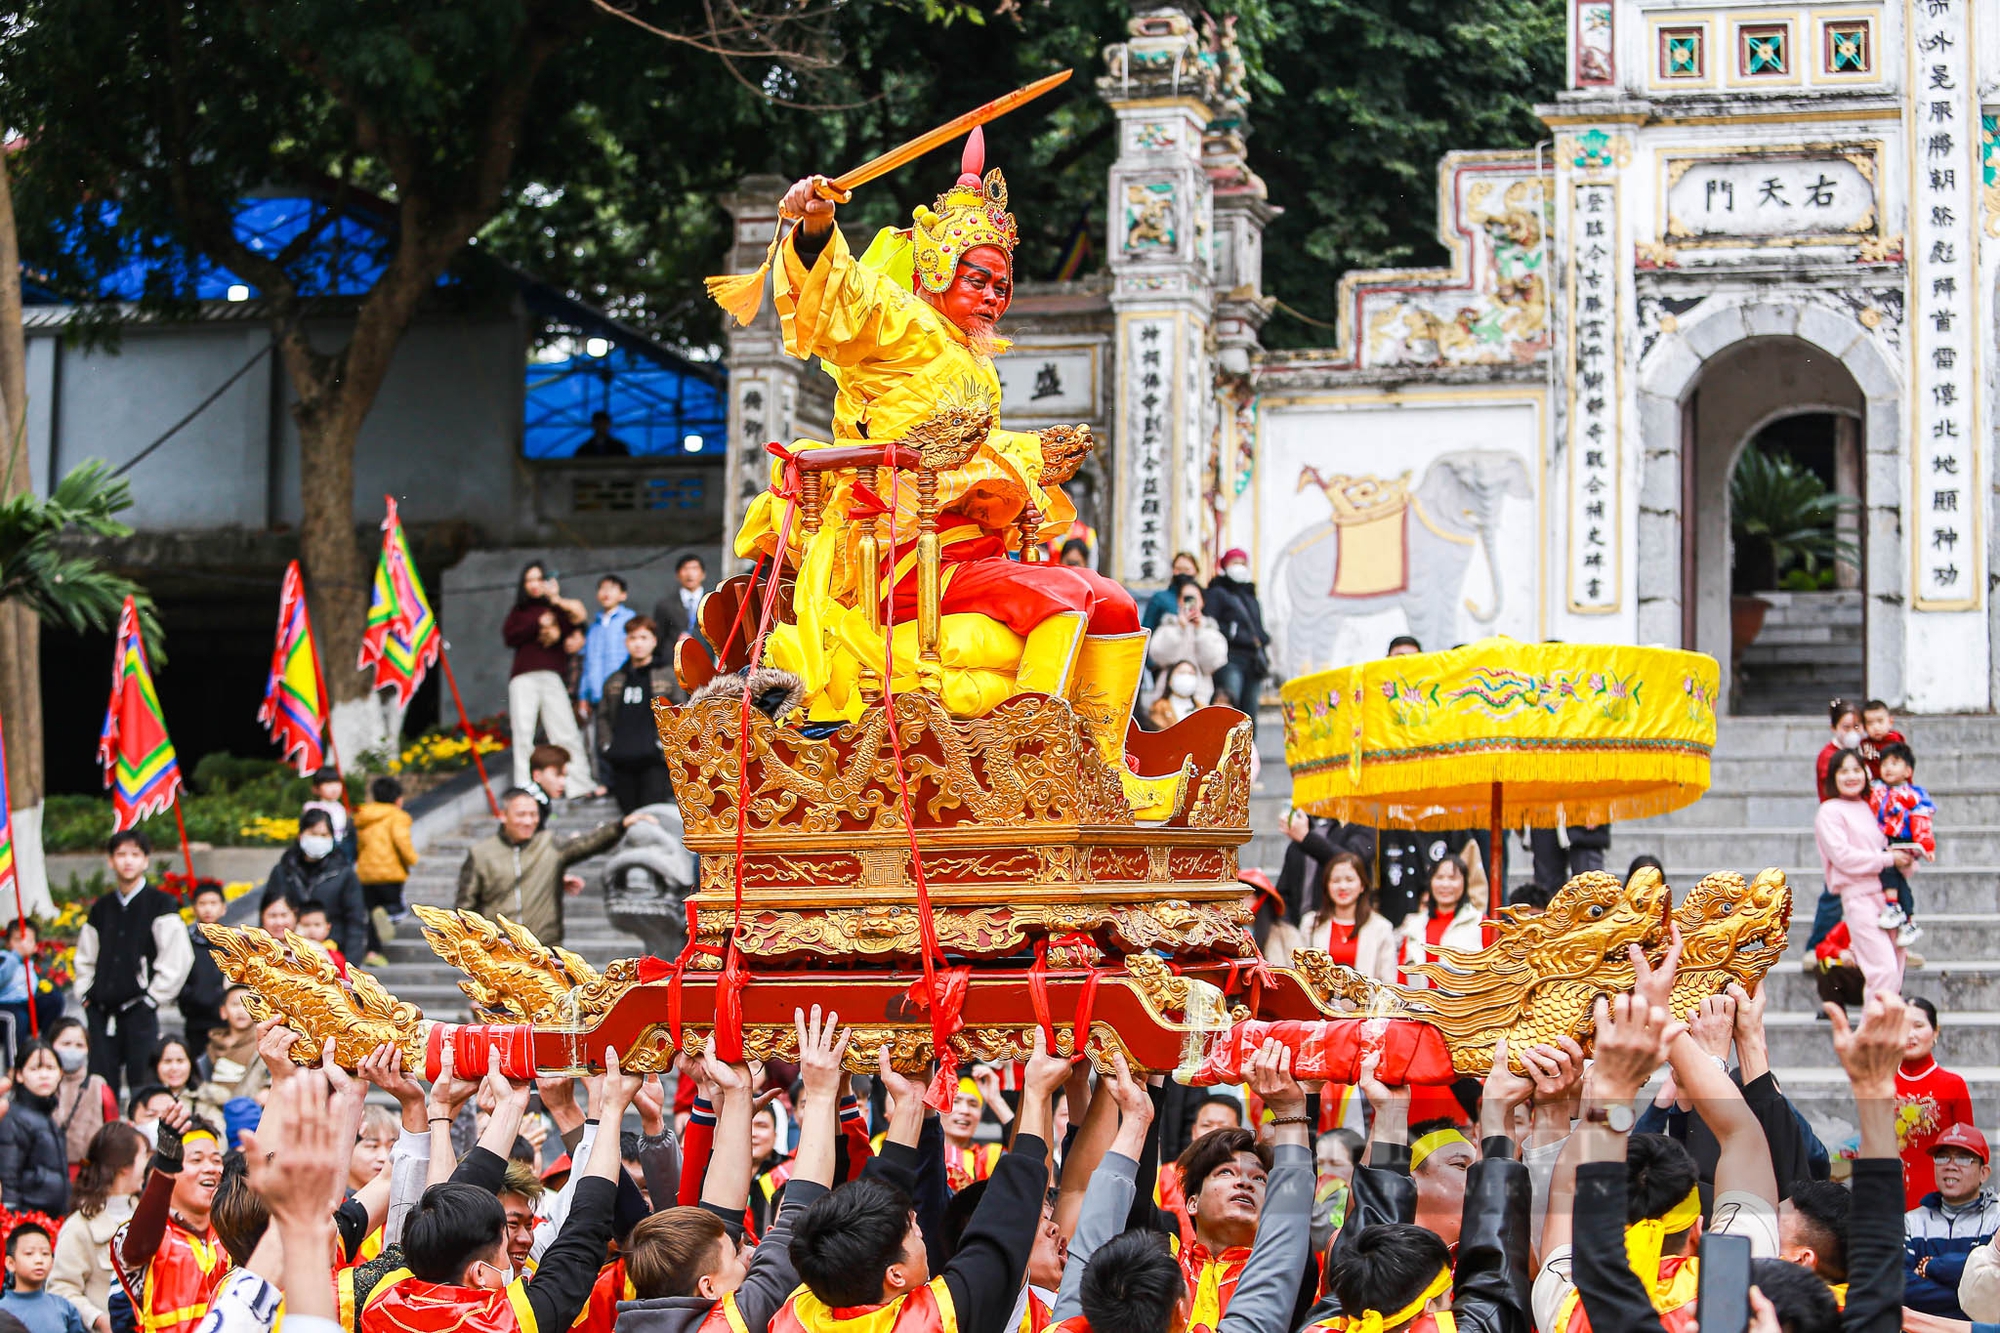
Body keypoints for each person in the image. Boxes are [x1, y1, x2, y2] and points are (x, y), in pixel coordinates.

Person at [753, 159, 1143, 743]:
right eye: (977, 280)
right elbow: (845, 298)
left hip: (967, 551)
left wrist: (1034, 455)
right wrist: (815, 228)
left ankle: (1104, 765)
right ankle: (1038, 756)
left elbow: (977, 447)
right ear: (937, 275)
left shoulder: (979, 366)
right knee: (1067, 595)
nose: (992, 298)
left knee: (1117, 604)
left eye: (1001, 287)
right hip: (901, 553)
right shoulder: (903, 321)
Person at [778, 1029, 1068, 1333]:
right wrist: (1035, 1095)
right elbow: (1002, 1232)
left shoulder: (803, 1310)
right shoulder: (931, 1319)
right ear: (896, 1275)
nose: (917, 1219)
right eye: (910, 1229)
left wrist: (908, 1106)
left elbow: (863, 1205)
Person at [356, 1047, 642, 1333]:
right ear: (479, 1272)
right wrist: (612, 1111)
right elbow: (586, 1226)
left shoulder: (383, 1302)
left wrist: (508, 1108)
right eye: (502, 1248)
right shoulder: (508, 1322)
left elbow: (448, 1208)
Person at [1051, 1044, 1311, 1333]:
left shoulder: (1069, 1327)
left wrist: (1138, 1117)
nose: (1244, 1182)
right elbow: (1287, 1239)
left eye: (1260, 1179)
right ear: (1191, 1202)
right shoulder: (1166, 1255)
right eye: (1225, 1172)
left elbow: (1091, 1243)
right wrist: (1294, 1112)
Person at [620, 1007, 849, 1333]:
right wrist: (823, 1094)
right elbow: (794, 1221)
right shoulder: (725, 1326)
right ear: (708, 1288)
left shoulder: (638, 1318)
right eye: (736, 1253)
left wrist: (738, 1095)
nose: (752, 1253)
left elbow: (719, 1217)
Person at [72, 831, 192, 1099]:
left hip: (139, 1010)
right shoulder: (101, 908)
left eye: (135, 854)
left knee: (143, 1084)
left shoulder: (161, 903)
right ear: (110, 861)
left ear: (146, 861)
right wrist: (85, 993)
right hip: (101, 1011)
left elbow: (178, 956)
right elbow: (85, 956)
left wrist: (154, 997)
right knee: (101, 1087)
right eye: (121, 854)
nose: (128, 861)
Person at [456, 789, 650, 947]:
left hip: (544, 950)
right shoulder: (481, 853)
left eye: (533, 815)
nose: (528, 821)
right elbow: (465, 908)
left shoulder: (549, 844)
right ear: (503, 816)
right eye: (521, 815)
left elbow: (586, 844)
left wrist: (619, 826)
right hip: (499, 952)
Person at [1816, 748, 1913, 998]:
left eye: (1857, 769)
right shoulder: (1830, 811)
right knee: (1883, 972)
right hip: (1858, 897)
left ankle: (1887, 1034)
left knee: (1896, 972)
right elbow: (1843, 858)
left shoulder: (1875, 806)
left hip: (1892, 896)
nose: (1851, 776)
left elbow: (1895, 840)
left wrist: (1908, 857)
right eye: (1844, 770)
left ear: (1866, 773)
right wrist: (1888, 858)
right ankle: (1875, 1036)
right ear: (1833, 777)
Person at [504, 561, 594, 796]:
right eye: (529, 580)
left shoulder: (556, 608)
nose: (534, 585)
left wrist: (555, 600)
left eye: (538, 579)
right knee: (523, 733)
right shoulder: (520, 611)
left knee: (565, 731)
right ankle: (524, 787)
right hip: (523, 676)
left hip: (552, 675)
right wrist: (537, 623)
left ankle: (579, 784)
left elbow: (576, 620)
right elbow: (509, 636)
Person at [49, 1123, 146, 1333]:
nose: (147, 1164)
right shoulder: (79, 1227)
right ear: (124, 1167)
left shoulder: (149, 1218)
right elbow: (60, 1288)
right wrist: (98, 1319)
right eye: (143, 1156)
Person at [1905, 1124, 2000, 1318]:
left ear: (1984, 1173)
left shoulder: (1997, 1217)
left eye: (1963, 1158)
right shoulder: (1911, 1221)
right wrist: (1973, 1292)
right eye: (1942, 1157)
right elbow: (1898, 1286)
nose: (1950, 1165)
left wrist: (1930, 1266)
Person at [596, 617, 684, 815]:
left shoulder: (667, 676)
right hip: (622, 760)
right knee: (629, 817)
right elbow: (603, 717)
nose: (638, 643)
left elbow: (680, 711)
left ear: (654, 641)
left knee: (652, 815)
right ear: (626, 642)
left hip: (655, 761)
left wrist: (665, 744)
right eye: (633, 638)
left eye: (644, 637)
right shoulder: (615, 679)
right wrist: (607, 745)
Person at [259, 809, 369, 966]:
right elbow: (269, 910)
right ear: (300, 835)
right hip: (287, 956)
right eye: (313, 833)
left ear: (332, 838)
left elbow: (356, 922)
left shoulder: (344, 873)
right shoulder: (284, 870)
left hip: (333, 957)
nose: (318, 839)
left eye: (324, 835)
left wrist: (350, 967)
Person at [1901, 997, 1976, 1209]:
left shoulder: (1953, 1085)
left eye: (1918, 1026)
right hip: (1889, 1199)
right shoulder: (1881, 1083)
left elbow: (1968, 1151)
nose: (1910, 1034)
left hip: (1940, 1201)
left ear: (1935, 1032)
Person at [1296, 852, 1397, 981]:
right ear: (1327, 886)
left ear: (1362, 886)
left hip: (1368, 1000)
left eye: (1349, 880)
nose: (1343, 887)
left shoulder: (1381, 928)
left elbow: (1388, 981)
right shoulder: (1311, 924)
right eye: (1336, 881)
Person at [1203, 549, 1270, 739]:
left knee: (1250, 712)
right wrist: (1233, 632)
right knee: (1230, 706)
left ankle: (1249, 754)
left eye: (1242, 562)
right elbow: (1212, 623)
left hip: (1252, 661)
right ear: (1225, 565)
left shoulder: (1250, 595)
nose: (1239, 566)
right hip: (1230, 658)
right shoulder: (1217, 592)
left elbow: (1258, 627)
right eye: (1235, 562)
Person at [1872, 740, 1932, 947]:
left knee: (1889, 870)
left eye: (1895, 763)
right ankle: (1909, 920)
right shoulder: (1878, 790)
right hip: (1887, 838)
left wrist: (1927, 846)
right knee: (1899, 881)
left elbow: (1922, 820)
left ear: (1908, 770)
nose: (1888, 768)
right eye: (1885, 763)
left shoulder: (1912, 795)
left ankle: (1893, 907)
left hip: (1902, 840)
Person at [0, 1043, 70, 1218]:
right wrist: (11, 1217)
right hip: (26, 1218)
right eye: (35, 1068)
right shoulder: (14, 1118)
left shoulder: (49, 1117)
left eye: (50, 1067)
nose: (44, 1075)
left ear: (61, 1073)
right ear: (19, 1075)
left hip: (51, 1217)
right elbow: (8, 1176)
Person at [1145, 585, 1227, 728]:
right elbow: (1157, 655)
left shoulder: (1210, 628)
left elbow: (1215, 661)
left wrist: (1200, 630)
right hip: (1168, 695)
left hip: (1202, 693)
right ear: (1178, 601)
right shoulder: (1168, 626)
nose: (1190, 602)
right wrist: (1179, 629)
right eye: (1185, 598)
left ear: (1202, 601)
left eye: (1194, 598)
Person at [1396, 854, 1485, 986]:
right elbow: (1402, 977)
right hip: (1418, 1005)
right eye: (1439, 877)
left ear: (1465, 882)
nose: (1445, 884)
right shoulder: (1414, 925)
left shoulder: (1480, 923)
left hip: (1463, 1005)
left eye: (1452, 878)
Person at [46, 1022, 117, 1181]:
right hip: (45, 1174)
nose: (73, 1050)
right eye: (66, 1044)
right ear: (52, 1045)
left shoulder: (99, 1088)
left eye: (79, 1045)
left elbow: (113, 1136)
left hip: (87, 1176)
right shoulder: (42, 1086)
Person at [353, 776, 419, 933]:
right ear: (398, 799)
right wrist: (412, 859)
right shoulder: (397, 816)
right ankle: (391, 917)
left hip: (366, 873)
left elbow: (360, 844)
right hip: (390, 873)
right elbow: (401, 841)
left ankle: (374, 947)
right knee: (394, 908)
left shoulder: (364, 816)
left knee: (371, 911)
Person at [191, 989, 266, 1114]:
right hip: (214, 1114)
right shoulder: (212, 1048)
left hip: (253, 1114)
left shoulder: (265, 1045)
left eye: (247, 1003)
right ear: (223, 1012)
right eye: (235, 1004)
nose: (241, 1010)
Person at [0, 1224, 84, 1333]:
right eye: (29, 1253)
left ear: (52, 1261)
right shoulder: (3, 1308)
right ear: (10, 1263)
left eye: (45, 1253)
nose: (39, 1260)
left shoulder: (63, 1307)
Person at [578, 574, 637, 721]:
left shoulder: (631, 621)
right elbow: (587, 664)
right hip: (597, 695)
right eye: (602, 588)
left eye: (612, 588)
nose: (606, 592)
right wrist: (583, 696)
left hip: (623, 690)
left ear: (623, 595)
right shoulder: (593, 628)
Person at [175, 886, 228, 1046]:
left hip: (226, 1020)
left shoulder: (232, 943)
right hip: (195, 1019)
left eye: (213, 903)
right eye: (202, 903)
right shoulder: (185, 942)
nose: (208, 909)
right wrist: (189, 997)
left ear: (223, 908)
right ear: (194, 908)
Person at [940, 1074, 1003, 1194]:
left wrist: (995, 1100)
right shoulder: (922, 1151)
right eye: (956, 1101)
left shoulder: (991, 1157)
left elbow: (1026, 1159)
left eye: (973, 1104)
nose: (965, 1111)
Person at [652, 554, 711, 658]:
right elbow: (660, 637)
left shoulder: (712, 601)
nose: (689, 574)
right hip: (673, 662)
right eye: (685, 569)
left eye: (694, 568)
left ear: (703, 574)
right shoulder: (665, 604)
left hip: (707, 659)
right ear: (678, 575)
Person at [300, 767, 356, 864]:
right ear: (315, 788)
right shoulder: (312, 807)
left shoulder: (341, 808)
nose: (334, 788)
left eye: (337, 783)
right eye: (328, 783)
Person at [1141, 554, 1204, 632]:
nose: (1182, 573)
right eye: (1178, 569)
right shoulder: (1160, 598)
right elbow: (1147, 629)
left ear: (1196, 571)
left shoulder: (1206, 596)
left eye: (1187, 569)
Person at [146, 1039, 198, 1115]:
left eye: (180, 1061)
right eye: (167, 1061)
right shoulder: (143, 1102)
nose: (174, 1068)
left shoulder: (206, 1100)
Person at [1861, 699, 1907, 780]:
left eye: (1880, 721)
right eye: (1870, 723)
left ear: (1890, 722)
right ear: (1864, 727)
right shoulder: (1864, 744)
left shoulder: (1895, 742)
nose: (1876, 727)